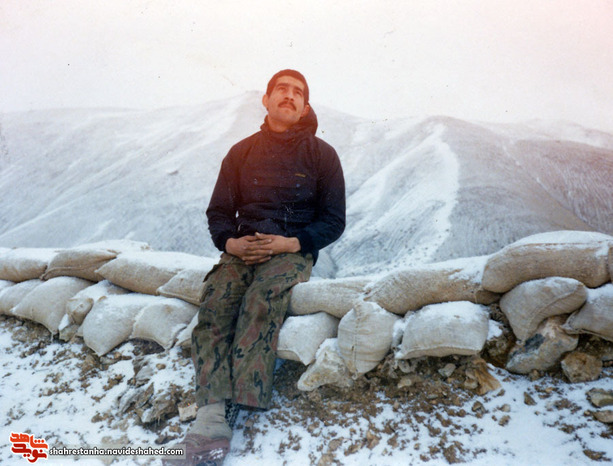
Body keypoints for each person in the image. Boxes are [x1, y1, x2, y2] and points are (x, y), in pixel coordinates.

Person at [180, 69, 345, 465]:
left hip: (290, 250)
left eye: (297, 92)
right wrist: (231, 243)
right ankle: (211, 415)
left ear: (305, 106)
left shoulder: (323, 155)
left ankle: (239, 402)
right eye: (281, 89)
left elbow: (333, 220)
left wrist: (292, 243)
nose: (289, 96)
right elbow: (219, 212)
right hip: (243, 250)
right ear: (266, 99)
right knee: (216, 302)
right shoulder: (241, 152)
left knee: (260, 302)